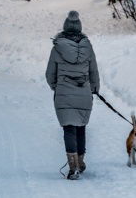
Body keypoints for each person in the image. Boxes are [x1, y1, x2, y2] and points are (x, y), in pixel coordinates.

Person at [45, 10, 100, 180]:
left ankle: (73, 166)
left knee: (69, 128)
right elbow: (94, 72)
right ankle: (81, 163)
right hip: (83, 92)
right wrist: (94, 89)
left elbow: (50, 74)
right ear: (79, 28)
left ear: (65, 27)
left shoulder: (57, 48)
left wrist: (57, 87)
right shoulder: (88, 47)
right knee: (81, 128)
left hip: (63, 93)